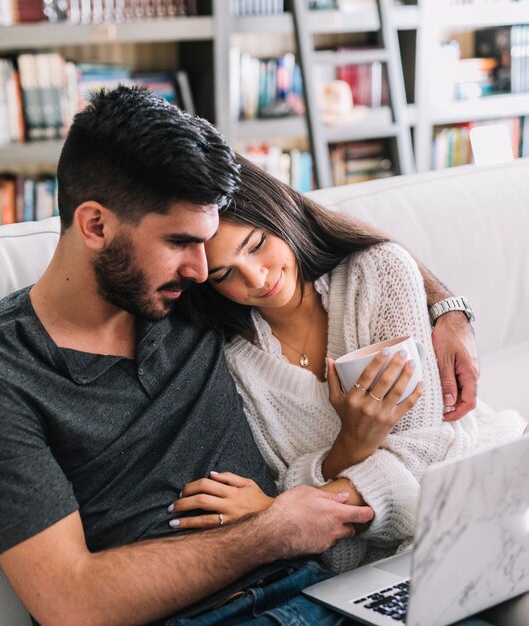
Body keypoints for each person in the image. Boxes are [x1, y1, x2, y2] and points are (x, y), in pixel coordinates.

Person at [0, 86, 488, 626]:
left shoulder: (190, 296)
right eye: (180, 242)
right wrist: (273, 529)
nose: (205, 269)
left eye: (207, 245)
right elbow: (68, 603)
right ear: (95, 225)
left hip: (325, 588)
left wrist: (449, 311)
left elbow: (316, 231)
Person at [175, 156, 528, 576]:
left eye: (256, 245)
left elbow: (427, 447)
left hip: (486, 493)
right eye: (224, 274)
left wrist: (281, 510)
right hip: (372, 570)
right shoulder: (234, 363)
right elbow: (311, 528)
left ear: (279, 212)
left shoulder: (378, 272)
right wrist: (352, 446)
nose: (254, 278)